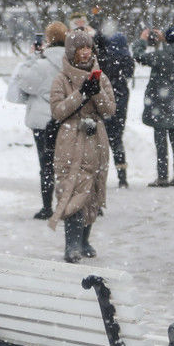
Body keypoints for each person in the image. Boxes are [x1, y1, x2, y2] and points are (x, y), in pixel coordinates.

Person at [47, 27, 115, 263]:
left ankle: (85, 239)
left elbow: (109, 110)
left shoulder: (100, 76)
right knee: (73, 189)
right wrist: (80, 95)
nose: (86, 53)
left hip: (96, 140)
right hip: (71, 141)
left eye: (88, 48)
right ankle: (72, 245)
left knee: (93, 191)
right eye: (80, 49)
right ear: (71, 52)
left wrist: (96, 93)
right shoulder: (61, 79)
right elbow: (57, 111)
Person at [9, 22, 68, 219]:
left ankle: (47, 207)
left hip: (43, 121)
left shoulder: (40, 64)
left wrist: (32, 57)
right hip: (67, 118)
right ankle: (70, 204)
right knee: (69, 163)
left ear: (48, 40)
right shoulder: (74, 60)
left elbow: (23, 83)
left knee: (46, 164)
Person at [133, 25, 174, 187]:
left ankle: (162, 177)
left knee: (160, 139)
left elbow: (138, 56)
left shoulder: (161, 56)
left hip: (160, 102)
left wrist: (142, 41)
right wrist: (166, 39)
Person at [95, 27, 134, 188]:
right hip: (121, 100)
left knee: (99, 140)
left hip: (104, 100)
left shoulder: (102, 59)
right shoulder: (126, 59)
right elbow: (129, 74)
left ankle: (98, 175)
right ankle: (122, 177)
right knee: (117, 139)